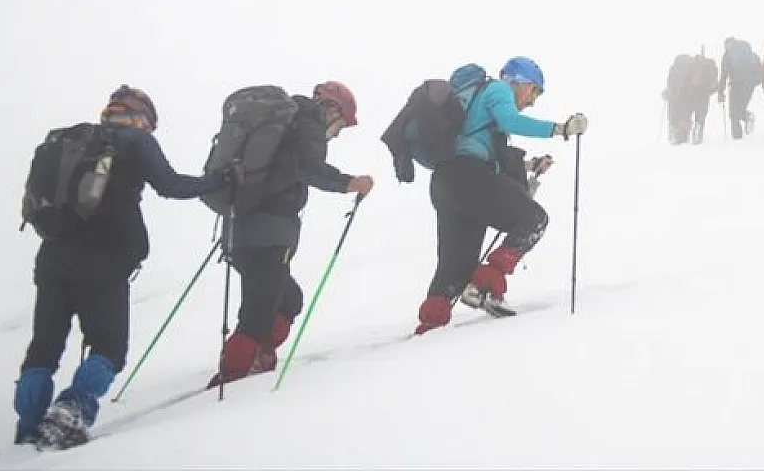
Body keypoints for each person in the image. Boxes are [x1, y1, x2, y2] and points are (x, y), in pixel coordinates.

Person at [14, 87, 229, 450]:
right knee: (109, 348)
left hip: (52, 257)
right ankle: (71, 411)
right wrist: (219, 180)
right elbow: (171, 185)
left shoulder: (68, 141)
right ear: (142, 117)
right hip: (104, 259)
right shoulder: (135, 141)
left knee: (44, 348)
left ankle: (28, 426)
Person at [210, 82, 374, 388]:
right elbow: (309, 168)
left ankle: (258, 354)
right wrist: (349, 182)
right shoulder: (307, 125)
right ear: (332, 109)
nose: (336, 133)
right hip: (270, 233)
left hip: (238, 229)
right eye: (341, 125)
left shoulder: (281, 124)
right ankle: (231, 378)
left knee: (288, 298)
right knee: (258, 313)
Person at [415, 57, 588, 332]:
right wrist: (560, 129)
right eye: (535, 91)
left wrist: (529, 167)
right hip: (469, 176)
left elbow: (483, 150)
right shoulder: (498, 89)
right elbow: (511, 121)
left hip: (446, 182)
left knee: (455, 263)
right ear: (519, 82)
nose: (532, 100)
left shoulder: (476, 105)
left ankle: (429, 326)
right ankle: (485, 285)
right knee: (533, 219)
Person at [716, 37, 763, 139]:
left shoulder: (727, 55)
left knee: (733, 112)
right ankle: (746, 116)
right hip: (749, 85)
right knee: (739, 109)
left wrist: (720, 91)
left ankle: (737, 136)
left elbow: (724, 74)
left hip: (735, 84)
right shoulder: (750, 53)